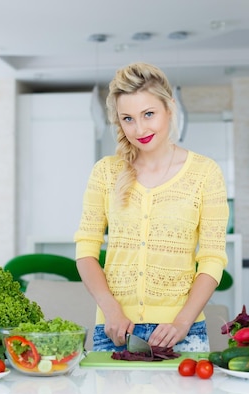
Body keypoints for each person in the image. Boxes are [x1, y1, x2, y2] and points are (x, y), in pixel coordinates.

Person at [74, 62, 229, 352]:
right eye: (128, 119)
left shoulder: (205, 173)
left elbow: (212, 258)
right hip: (115, 330)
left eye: (148, 114)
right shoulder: (105, 172)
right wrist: (111, 311)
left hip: (182, 332)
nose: (140, 128)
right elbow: (85, 251)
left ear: (169, 107)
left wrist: (182, 322)